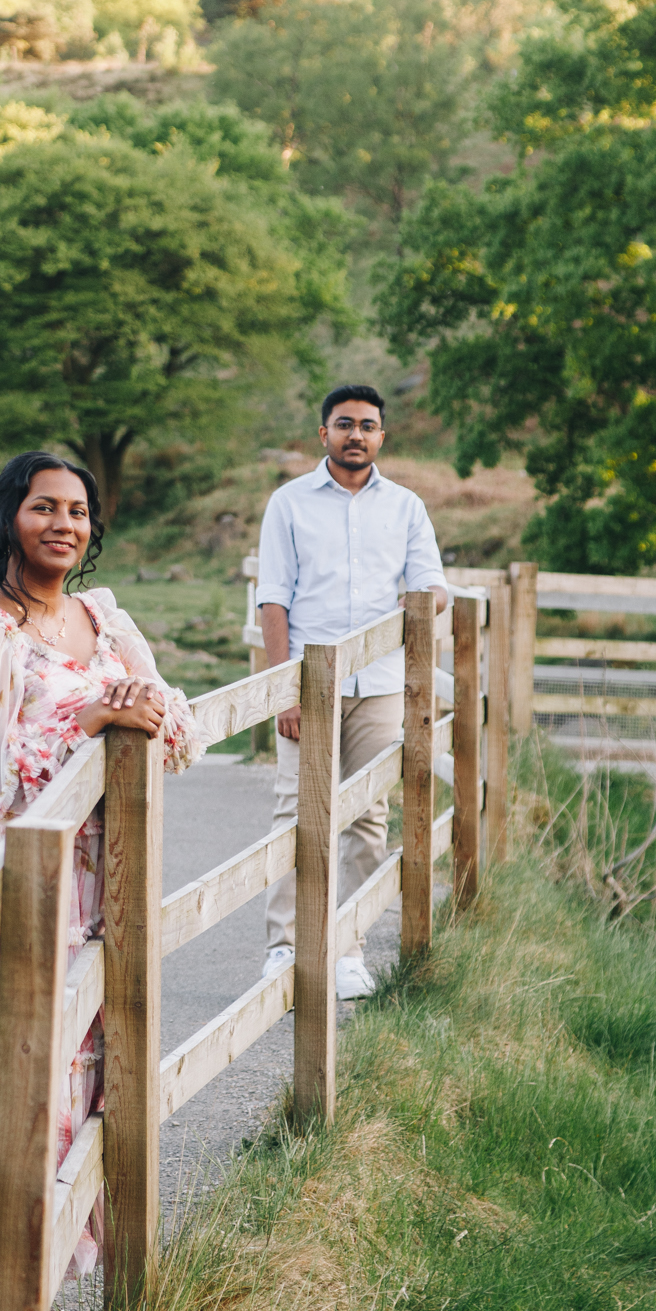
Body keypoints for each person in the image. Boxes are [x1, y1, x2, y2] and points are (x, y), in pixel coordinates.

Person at [0, 449, 202, 1311]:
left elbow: (175, 726)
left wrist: (139, 705)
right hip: (13, 875)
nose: (62, 524)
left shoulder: (102, 619)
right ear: (5, 520)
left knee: (72, 1079)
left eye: (76, 511)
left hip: (101, 878)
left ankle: (27, 1281)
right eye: (42, 508)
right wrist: (93, 719)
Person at [257, 384, 447, 999]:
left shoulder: (406, 507)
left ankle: (349, 949)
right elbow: (274, 600)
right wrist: (282, 692)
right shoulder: (288, 504)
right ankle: (285, 946)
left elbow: (432, 585)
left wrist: (419, 600)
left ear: (381, 437)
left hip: (383, 681)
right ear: (324, 435)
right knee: (297, 812)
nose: (355, 435)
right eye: (344, 424)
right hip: (309, 685)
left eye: (367, 426)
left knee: (367, 818)